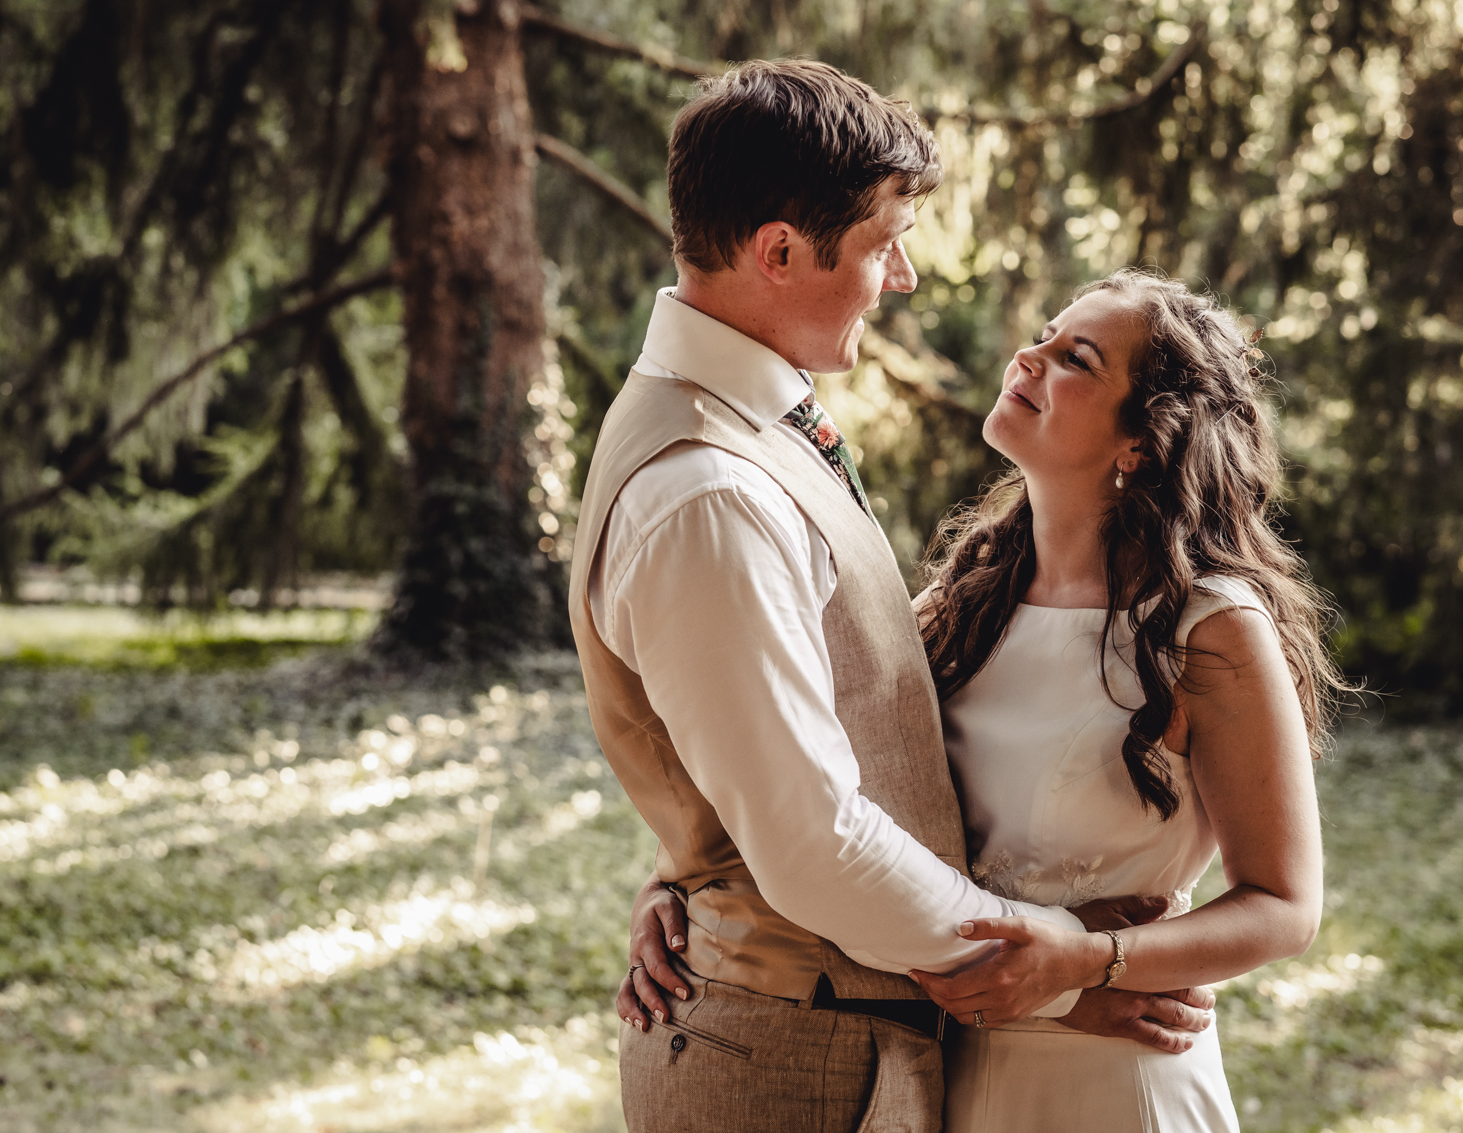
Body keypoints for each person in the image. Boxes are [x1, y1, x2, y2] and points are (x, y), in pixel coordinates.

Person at [572, 62, 1214, 1133]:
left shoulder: (748, 427)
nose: (903, 277)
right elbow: (810, 836)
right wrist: (1057, 970)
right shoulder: (710, 491)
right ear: (779, 251)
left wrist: (688, 870)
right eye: (883, 243)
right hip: (783, 1055)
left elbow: (779, 742)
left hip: (831, 1025)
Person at [903, 269, 1346, 1130]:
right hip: (951, 1071)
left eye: (1076, 357)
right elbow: (831, 791)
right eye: (1043, 334)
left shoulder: (1208, 627)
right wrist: (677, 880)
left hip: (1117, 1086)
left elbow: (1285, 905)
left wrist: (1089, 962)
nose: (1028, 357)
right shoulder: (957, 604)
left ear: (1140, 441)